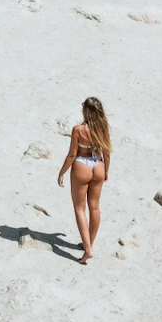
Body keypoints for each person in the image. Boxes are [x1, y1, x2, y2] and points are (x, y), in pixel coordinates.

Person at [57, 97, 111, 263]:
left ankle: (87, 250)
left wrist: (62, 172)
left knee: (79, 208)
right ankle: (89, 243)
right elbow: (107, 152)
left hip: (82, 166)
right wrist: (106, 170)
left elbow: (72, 154)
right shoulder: (104, 128)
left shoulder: (78, 130)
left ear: (86, 111)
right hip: (98, 165)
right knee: (94, 207)